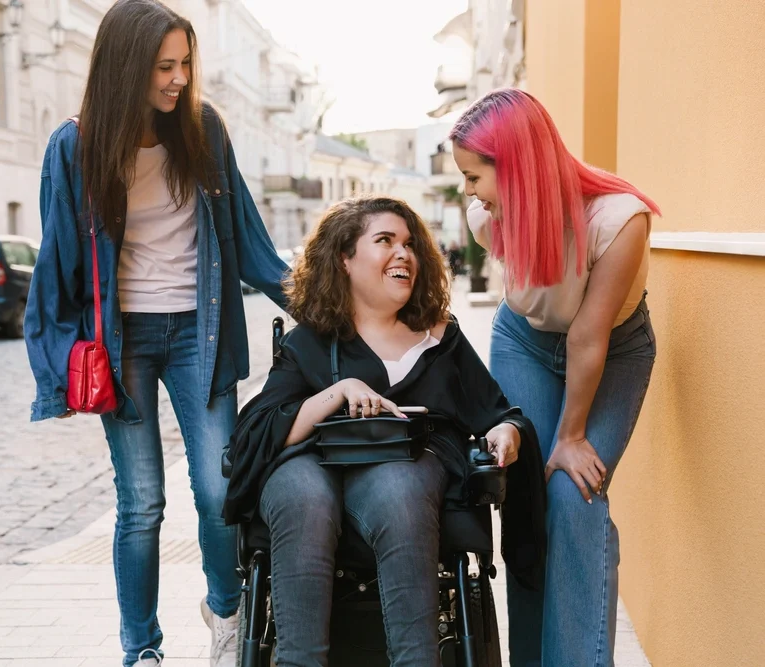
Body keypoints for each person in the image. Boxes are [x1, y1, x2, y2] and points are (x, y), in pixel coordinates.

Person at [23, 2, 289, 665]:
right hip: (123, 344)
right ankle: (140, 647)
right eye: (163, 66)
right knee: (141, 502)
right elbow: (56, 263)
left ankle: (225, 613)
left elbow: (253, 247)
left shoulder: (204, 131)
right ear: (126, 67)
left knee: (217, 487)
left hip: (199, 332)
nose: (177, 79)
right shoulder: (74, 146)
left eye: (185, 65)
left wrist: (334, 305)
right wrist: (57, 367)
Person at [223, 196, 544, 667]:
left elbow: (498, 412)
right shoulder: (311, 341)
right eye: (385, 241)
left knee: (398, 484)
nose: (404, 254)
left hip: (408, 474)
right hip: (313, 470)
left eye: (410, 244)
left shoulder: (439, 339)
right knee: (301, 493)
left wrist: (507, 433)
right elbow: (254, 437)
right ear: (345, 260)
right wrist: (338, 392)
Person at [449, 88, 660, 667]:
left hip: (611, 352)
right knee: (527, 502)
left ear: (513, 167)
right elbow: (531, 309)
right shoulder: (486, 217)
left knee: (574, 493)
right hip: (524, 344)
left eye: (473, 176)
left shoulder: (618, 220)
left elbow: (589, 337)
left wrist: (569, 439)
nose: (468, 192)